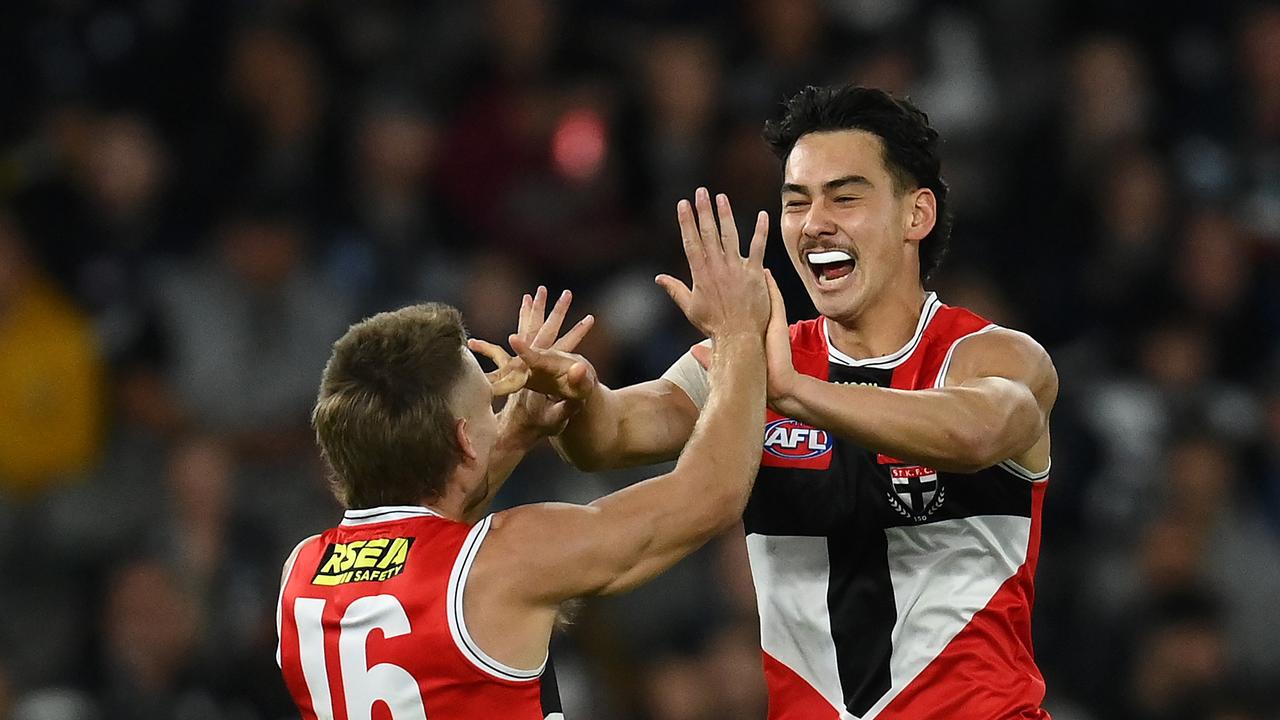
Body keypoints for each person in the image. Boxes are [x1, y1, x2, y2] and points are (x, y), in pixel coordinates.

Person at [516, 85, 1059, 719]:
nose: (815, 222)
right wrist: (576, 395)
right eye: (796, 202)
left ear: (917, 215)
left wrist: (791, 390)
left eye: (845, 197)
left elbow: (979, 432)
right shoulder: (756, 363)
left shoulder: (990, 357)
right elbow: (609, 438)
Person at [275, 198, 772, 719]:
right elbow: (709, 497)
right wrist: (736, 330)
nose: (501, 407)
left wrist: (516, 431)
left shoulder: (299, 574)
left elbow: (420, 545)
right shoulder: (508, 557)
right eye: (489, 402)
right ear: (465, 440)